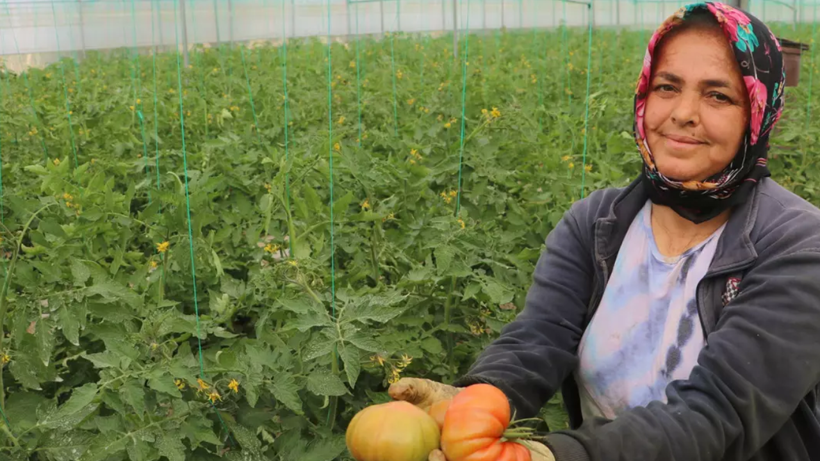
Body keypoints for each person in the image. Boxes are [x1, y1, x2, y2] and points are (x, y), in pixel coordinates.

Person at [388, 3, 820, 460]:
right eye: (667, 87)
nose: (683, 113)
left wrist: (554, 455)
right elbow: (538, 338)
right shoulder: (597, 224)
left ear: (757, 112)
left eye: (718, 96)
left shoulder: (798, 247)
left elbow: (720, 415)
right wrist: (480, 398)